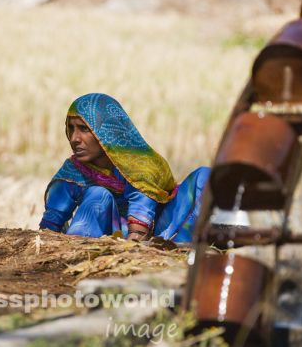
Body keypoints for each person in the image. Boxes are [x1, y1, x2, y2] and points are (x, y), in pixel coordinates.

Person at [39, 93, 210, 243]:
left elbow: (139, 233)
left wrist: (138, 238)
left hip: (162, 232)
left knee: (205, 175)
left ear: (106, 131)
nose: (75, 138)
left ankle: (183, 246)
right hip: (112, 239)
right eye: (71, 128)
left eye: (84, 129)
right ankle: (79, 247)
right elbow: (48, 230)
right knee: (98, 195)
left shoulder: (142, 164)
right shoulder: (73, 170)